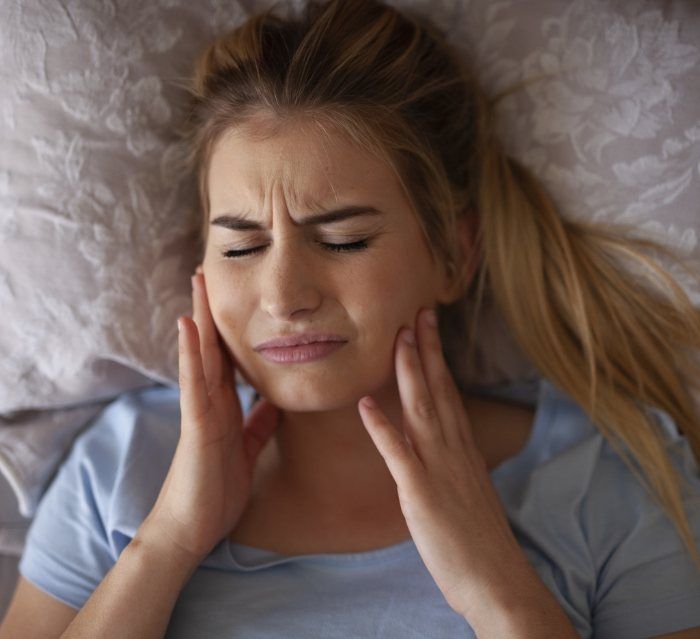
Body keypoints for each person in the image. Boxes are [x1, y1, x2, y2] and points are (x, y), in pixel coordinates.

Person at [2, 0, 700, 637]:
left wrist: (502, 593)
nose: (283, 295)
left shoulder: (609, 478)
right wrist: (169, 541)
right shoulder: (118, 468)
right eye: (241, 246)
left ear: (455, 254)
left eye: (343, 240)